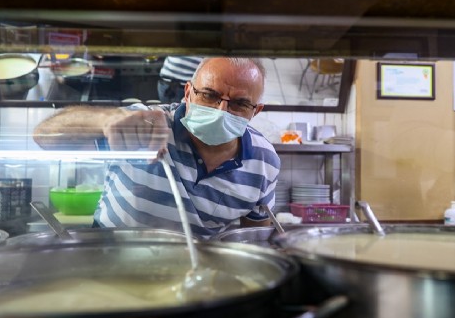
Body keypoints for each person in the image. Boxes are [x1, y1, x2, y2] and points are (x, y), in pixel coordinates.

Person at [34, 57, 279, 238]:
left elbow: (255, 236)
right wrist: (105, 120)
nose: (220, 111)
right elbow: (44, 136)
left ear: (255, 111)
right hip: (111, 263)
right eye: (209, 95)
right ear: (188, 93)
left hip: (195, 275)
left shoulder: (264, 161)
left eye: (240, 103)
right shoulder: (145, 125)